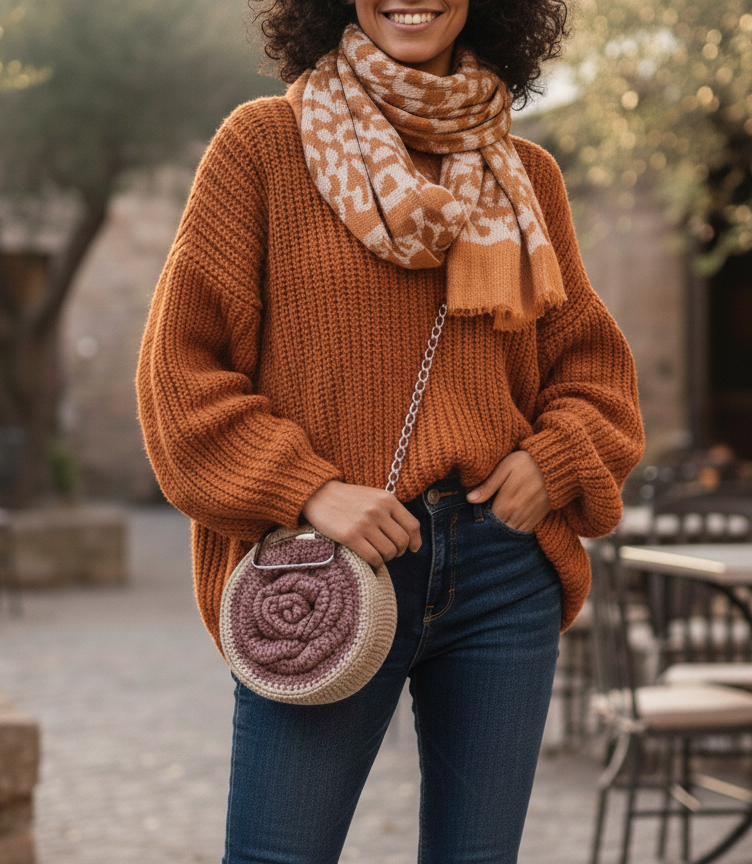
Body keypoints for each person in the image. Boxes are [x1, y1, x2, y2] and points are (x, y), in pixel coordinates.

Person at [136, 0, 644, 860]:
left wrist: (554, 460)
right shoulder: (264, 146)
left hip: (501, 574)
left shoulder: (525, 174)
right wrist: (308, 489)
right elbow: (178, 376)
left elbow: (596, 374)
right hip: (322, 572)